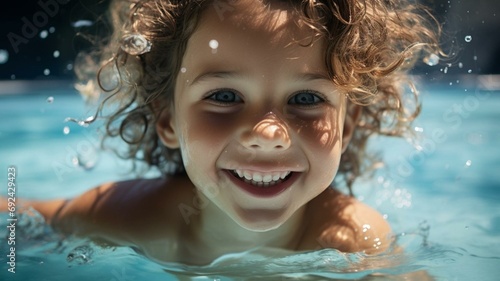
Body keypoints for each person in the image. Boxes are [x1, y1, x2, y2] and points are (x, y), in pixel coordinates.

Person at [3, 0, 442, 267]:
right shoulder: (134, 219)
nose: (268, 133)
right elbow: (21, 222)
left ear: (347, 125)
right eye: (226, 95)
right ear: (168, 120)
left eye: (306, 100)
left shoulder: (356, 246)